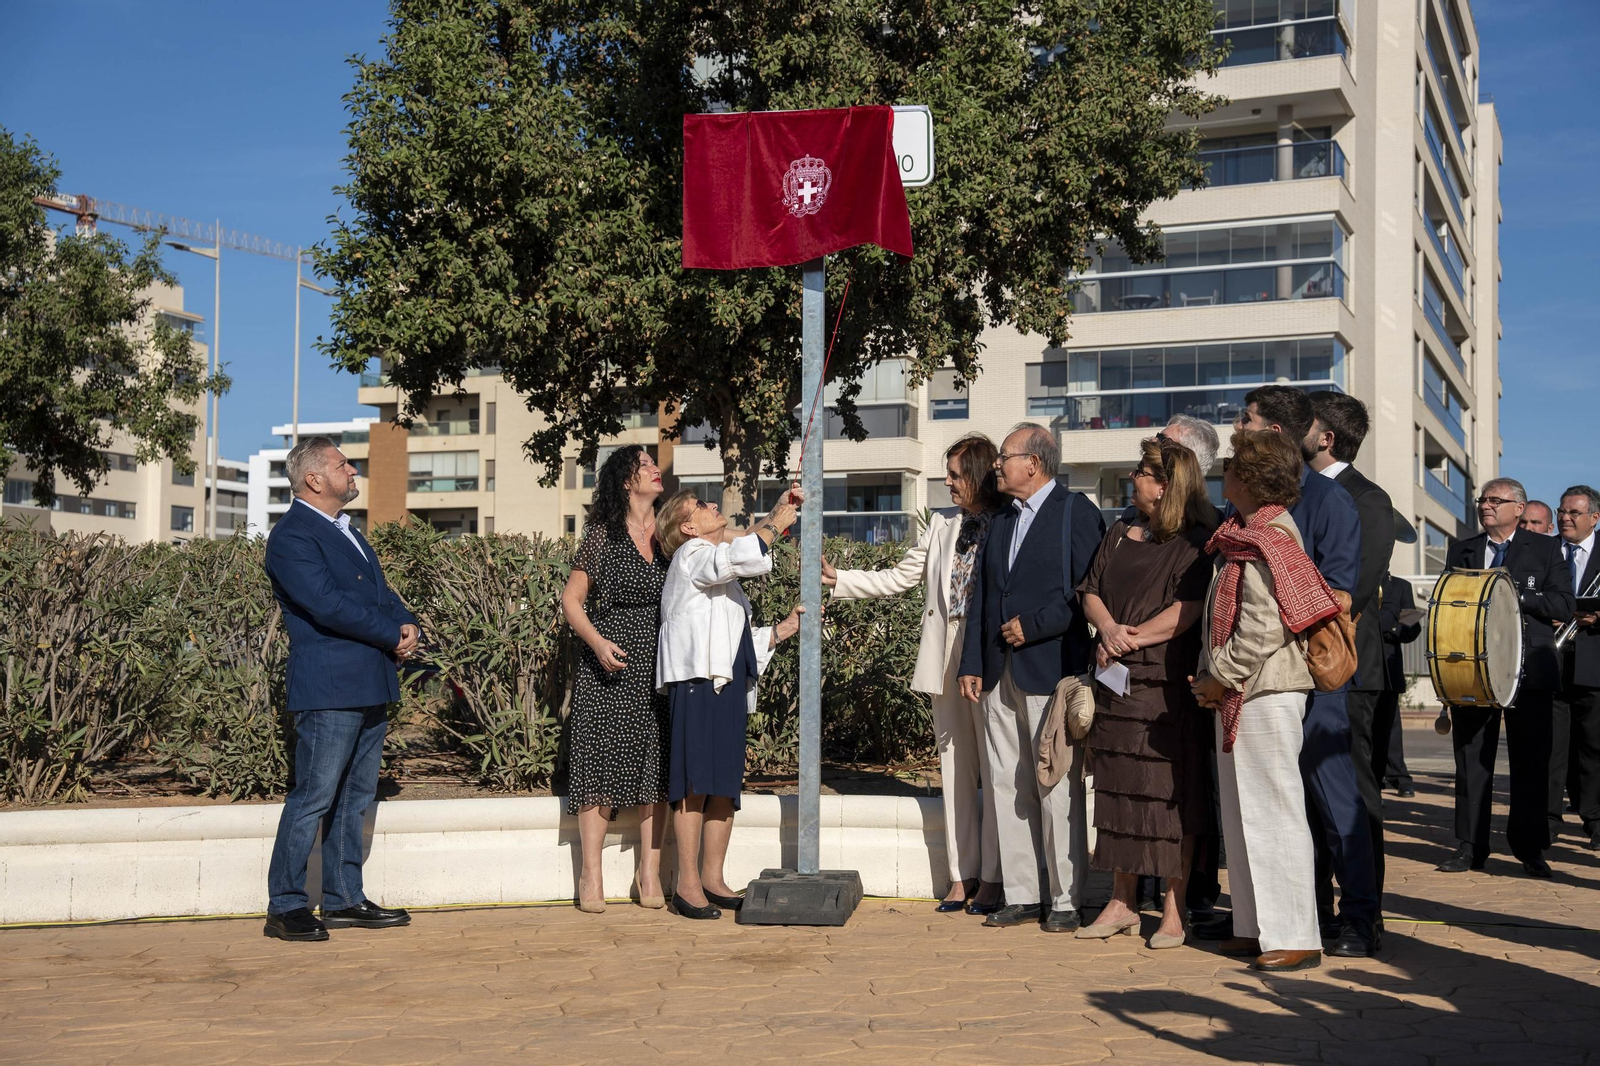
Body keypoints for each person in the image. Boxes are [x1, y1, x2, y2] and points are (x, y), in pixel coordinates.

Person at [1194, 386, 1379, 958]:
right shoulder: (1243, 520)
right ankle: (1262, 923)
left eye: (1246, 422)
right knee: (1254, 807)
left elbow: (1323, 596)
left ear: (1271, 438)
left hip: (1292, 677)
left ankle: (1346, 921)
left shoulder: (1321, 506)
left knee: (1321, 800)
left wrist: (1223, 671)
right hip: (1253, 681)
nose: (1237, 429)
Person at [823, 434, 1006, 914]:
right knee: (955, 770)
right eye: (946, 473)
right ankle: (960, 877)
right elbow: (900, 577)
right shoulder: (942, 524)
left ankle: (995, 878)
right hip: (944, 658)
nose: (946, 482)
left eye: (955, 474)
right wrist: (840, 578)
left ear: (981, 474)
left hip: (991, 655)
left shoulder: (1008, 520)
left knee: (997, 769)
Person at [261, 436, 420, 943]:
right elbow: (327, 604)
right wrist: (389, 632)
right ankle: (286, 906)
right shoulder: (292, 536)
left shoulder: (346, 530)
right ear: (314, 479)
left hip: (369, 680)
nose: (352, 471)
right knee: (313, 796)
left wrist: (407, 621)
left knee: (354, 798)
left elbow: (379, 594)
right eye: (342, 464)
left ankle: (344, 899)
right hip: (330, 687)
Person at [1190, 429, 1332, 973]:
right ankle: (1255, 927)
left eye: (1229, 469)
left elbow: (1263, 626)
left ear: (1248, 479)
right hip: (1246, 692)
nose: (1222, 476)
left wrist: (1218, 676)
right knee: (1244, 812)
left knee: (1274, 812)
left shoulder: (1271, 538)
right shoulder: (1246, 534)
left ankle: (1296, 934)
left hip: (1265, 692)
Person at [957, 422, 1105, 933]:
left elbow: (1089, 593)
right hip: (998, 671)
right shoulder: (1000, 519)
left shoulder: (1076, 513)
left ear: (1033, 464)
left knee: (1055, 784)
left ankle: (1065, 900)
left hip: (1053, 668)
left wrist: (1035, 626)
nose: (996, 465)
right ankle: (1021, 894)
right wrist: (971, 662)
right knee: (1005, 782)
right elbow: (983, 595)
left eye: (1004, 457)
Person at [1075, 435, 1217, 948]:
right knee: (1116, 793)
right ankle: (1121, 902)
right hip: (1114, 683)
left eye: (1139, 471)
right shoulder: (1117, 533)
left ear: (1164, 485)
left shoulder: (1201, 539)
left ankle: (1174, 912)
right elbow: (1089, 590)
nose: (1131, 477)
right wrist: (1108, 628)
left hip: (1165, 691)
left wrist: (1125, 638)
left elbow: (1188, 611)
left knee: (1167, 797)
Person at [655, 487, 805, 919]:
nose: (713, 506)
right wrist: (777, 522)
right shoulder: (692, 555)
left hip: (725, 684)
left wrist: (779, 630)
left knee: (723, 784)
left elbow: (731, 634)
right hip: (698, 682)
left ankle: (712, 878)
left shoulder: (713, 566)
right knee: (693, 783)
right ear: (687, 527)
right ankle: (686, 884)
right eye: (702, 506)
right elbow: (737, 555)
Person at [1438, 477, 1573, 878]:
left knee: (1531, 763)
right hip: (1471, 670)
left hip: (1529, 669)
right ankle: (1469, 847)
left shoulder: (1547, 548)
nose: (1486, 506)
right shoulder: (1462, 549)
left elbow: (1564, 604)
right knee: (1471, 761)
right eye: (1483, 499)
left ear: (1519, 508)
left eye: (1496, 500)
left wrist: (1516, 593)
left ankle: (1529, 848)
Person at [560, 445, 671, 913]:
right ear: (627, 481)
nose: (654, 469)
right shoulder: (602, 534)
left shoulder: (670, 533)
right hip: (611, 662)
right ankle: (592, 874)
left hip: (664, 662)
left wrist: (780, 514)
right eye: (645, 465)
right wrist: (598, 643)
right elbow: (571, 601)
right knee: (599, 761)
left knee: (657, 762)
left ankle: (649, 873)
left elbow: (733, 539)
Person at [1304, 391, 1393, 951]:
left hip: (1348, 669)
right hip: (1299, 669)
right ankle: (1316, 912)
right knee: (1310, 800)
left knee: (1352, 796)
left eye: (1302, 424)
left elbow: (1354, 588)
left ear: (1327, 437)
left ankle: (1366, 915)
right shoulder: (1296, 494)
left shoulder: (1368, 498)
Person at [1553, 486, 1600, 851]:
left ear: (1594, 518)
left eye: (1574, 513)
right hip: (1550, 665)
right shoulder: (1545, 551)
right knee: (1553, 749)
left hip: (1594, 666)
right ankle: (1548, 823)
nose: (1565, 518)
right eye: (1562, 511)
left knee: (1593, 748)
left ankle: (1595, 820)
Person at [1374, 574, 1422, 798]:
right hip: (1362, 664)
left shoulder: (1402, 586)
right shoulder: (1360, 578)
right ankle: (1373, 778)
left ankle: (1399, 776)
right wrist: (1389, 622)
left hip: (1389, 667)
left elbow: (1412, 630)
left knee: (1391, 725)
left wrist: (1389, 627)